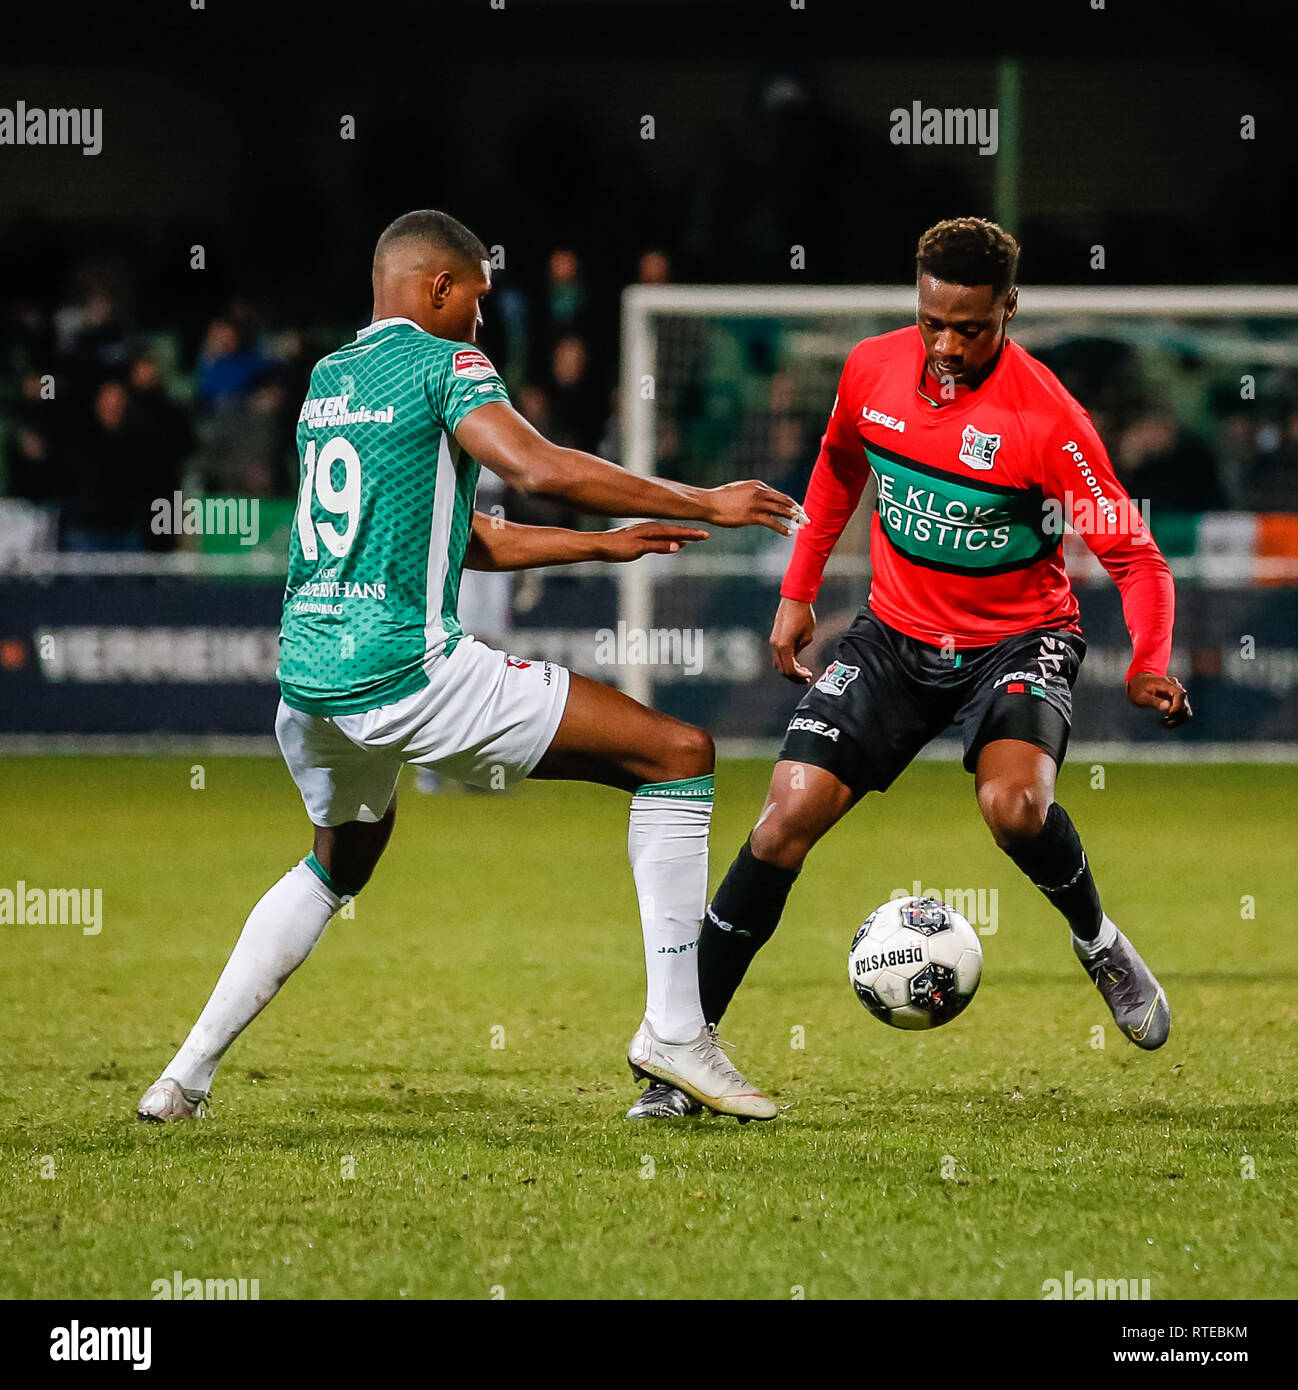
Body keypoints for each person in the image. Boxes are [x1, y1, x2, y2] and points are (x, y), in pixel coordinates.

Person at [138, 209, 802, 1127]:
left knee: (338, 864)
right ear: (441, 288)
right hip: (407, 676)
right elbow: (535, 465)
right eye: (478, 302)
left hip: (309, 685)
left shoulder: (329, 381)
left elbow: (462, 534)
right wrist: (705, 501)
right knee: (678, 753)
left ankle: (182, 1079)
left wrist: (600, 549)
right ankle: (676, 1032)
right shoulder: (444, 365)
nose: (483, 324)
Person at [630, 217, 1192, 1121]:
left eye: (970, 327)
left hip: (1018, 641)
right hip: (893, 637)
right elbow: (838, 467)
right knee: (782, 820)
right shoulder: (871, 369)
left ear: (1008, 308)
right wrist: (797, 591)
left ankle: (1098, 940)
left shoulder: (1049, 420)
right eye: (933, 321)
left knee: (1015, 809)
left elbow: (1137, 560)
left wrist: (1149, 662)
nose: (947, 344)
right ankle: (679, 1054)